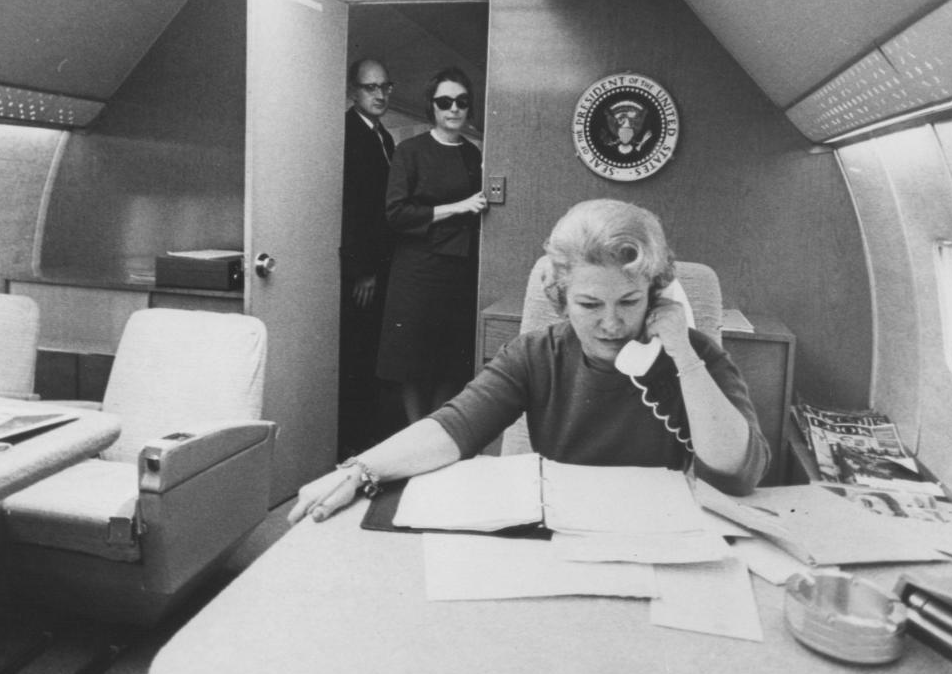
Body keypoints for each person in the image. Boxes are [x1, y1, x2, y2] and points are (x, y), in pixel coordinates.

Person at [290, 198, 770, 525]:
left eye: (629, 302)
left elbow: (738, 471)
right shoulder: (537, 354)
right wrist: (360, 470)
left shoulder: (696, 356)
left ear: (657, 293)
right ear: (560, 299)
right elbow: (455, 427)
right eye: (589, 304)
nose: (610, 324)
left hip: (660, 535)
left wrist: (682, 353)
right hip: (561, 535)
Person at [376, 67, 487, 423]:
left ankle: (436, 431)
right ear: (432, 107)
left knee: (450, 361)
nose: (454, 109)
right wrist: (457, 207)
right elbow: (396, 214)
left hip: (459, 271)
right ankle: (414, 431)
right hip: (418, 271)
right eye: (445, 102)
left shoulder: (473, 155)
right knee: (412, 361)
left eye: (461, 102)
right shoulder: (410, 152)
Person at [338, 59, 398, 457]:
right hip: (362, 271)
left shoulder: (383, 137)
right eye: (369, 87)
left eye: (384, 86)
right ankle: (353, 443)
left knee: (373, 352)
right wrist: (364, 271)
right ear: (353, 92)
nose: (379, 94)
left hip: (380, 264)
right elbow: (353, 208)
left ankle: (368, 438)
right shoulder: (348, 134)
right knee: (357, 355)